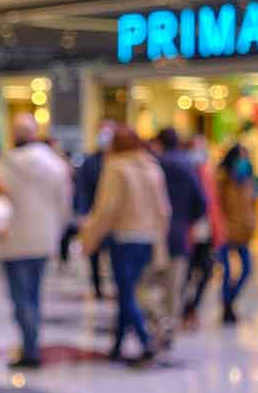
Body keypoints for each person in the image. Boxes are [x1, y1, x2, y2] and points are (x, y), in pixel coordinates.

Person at [80, 126, 171, 362]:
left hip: (123, 238)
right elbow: (163, 209)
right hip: (147, 238)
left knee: (125, 293)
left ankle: (144, 338)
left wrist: (91, 237)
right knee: (128, 291)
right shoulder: (151, 166)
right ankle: (118, 343)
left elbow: (107, 208)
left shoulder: (116, 167)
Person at [0, 113, 71, 368]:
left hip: (14, 240)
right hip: (43, 238)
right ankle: (32, 344)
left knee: (20, 298)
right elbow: (64, 203)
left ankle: (30, 348)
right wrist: (56, 232)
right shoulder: (55, 164)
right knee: (35, 296)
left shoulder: (3, 164)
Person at [155, 128, 207, 333]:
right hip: (180, 235)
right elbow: (201, 203)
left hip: (156, 234)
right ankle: (169, 326)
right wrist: (187, 221)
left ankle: (157, 321)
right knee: (174, 287)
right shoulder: (188, 167)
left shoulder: (155, 165)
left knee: (148, 284)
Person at [184, 134, 224, 324]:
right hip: (189, 232)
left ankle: (193, 306)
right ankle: (185, 307)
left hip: (206, 232)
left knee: (206, 270)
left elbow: (213, 205)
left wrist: (218, 231)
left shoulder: (208, 174)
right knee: (187, 271)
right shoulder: (184, 172)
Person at [217, 144, 257, 324]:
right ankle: (226, 306)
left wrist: (252, 223)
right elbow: (217, 205)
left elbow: (250, 205)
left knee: (247, 269)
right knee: (226, 271)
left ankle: (229, 301)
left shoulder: (248, 180)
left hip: (243, 231)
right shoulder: (222, 179)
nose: (243, 161)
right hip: (226, 231)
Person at [75, 122, 115, 299]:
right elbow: (82, 188)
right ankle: (97, 286)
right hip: (93, 213)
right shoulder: (90, 161)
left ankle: (113, 285)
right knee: (94, 253)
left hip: (113, 217)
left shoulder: (118, 161)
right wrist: (83, 213)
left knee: (113, 254)